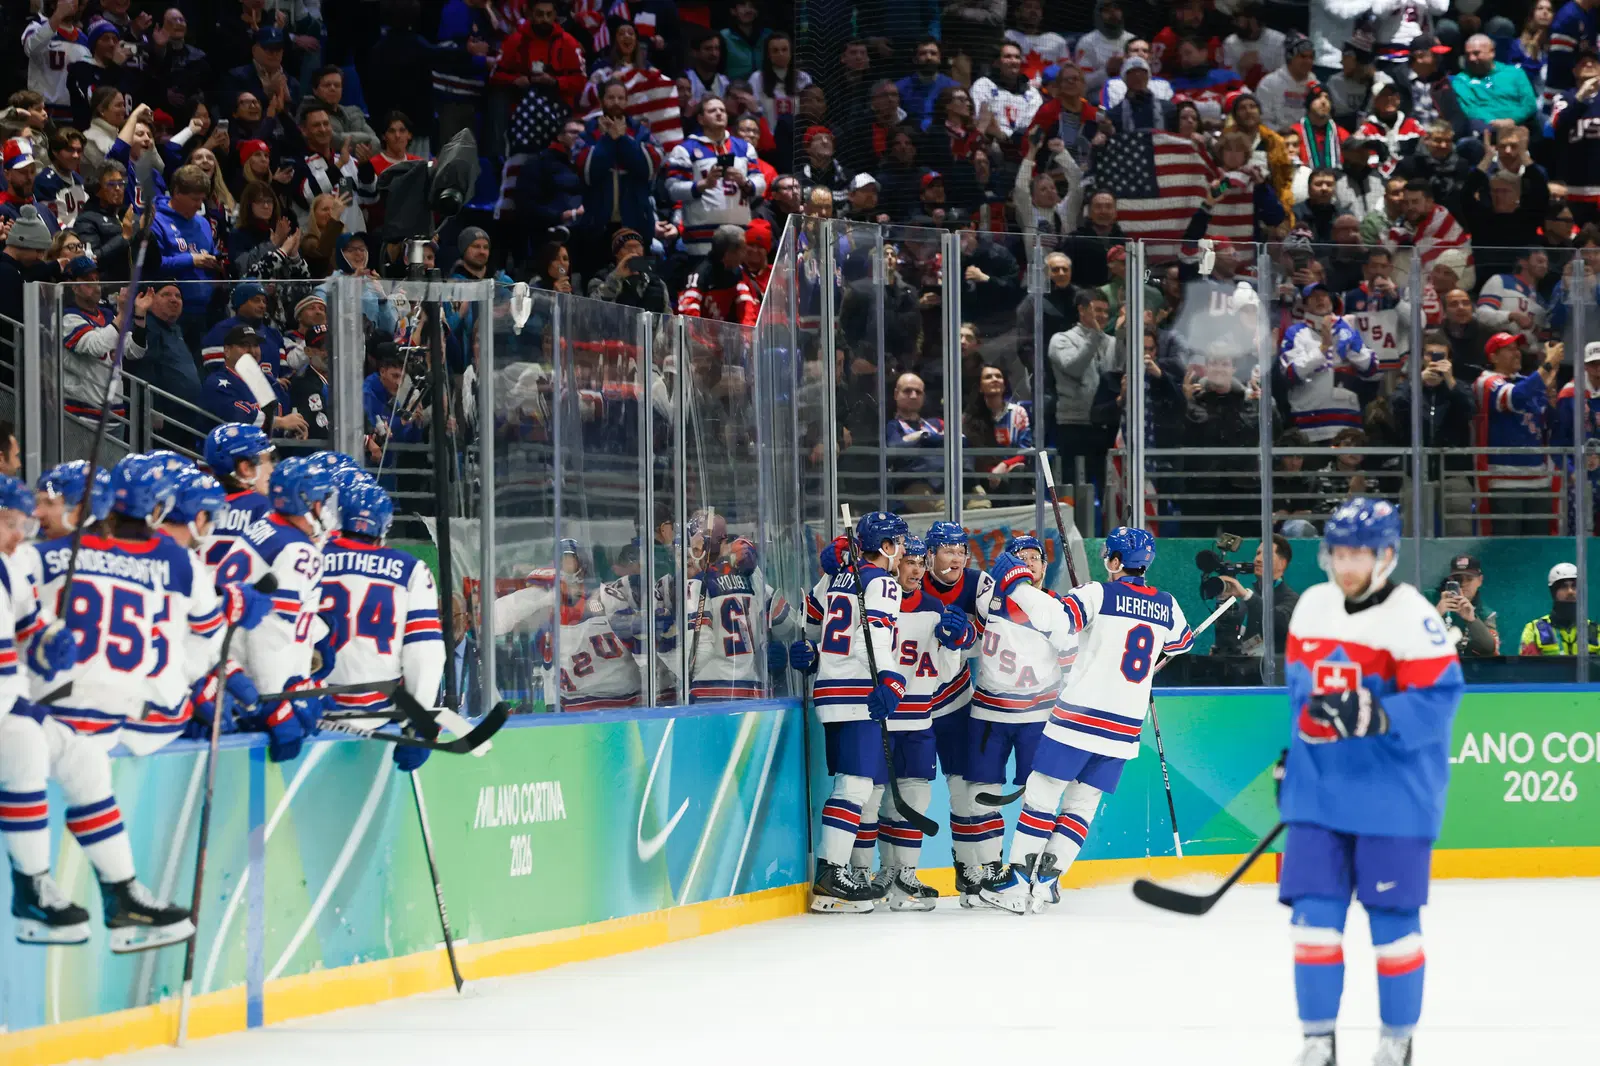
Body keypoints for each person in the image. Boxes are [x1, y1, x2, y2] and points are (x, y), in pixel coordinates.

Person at [1277, 497, 1464, 1066]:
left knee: (1393, 927)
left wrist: (1377, 713)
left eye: (1358, 554)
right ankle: (1317, 1042)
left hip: (1394, 798)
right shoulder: (1311, 606)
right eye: (1338, 553)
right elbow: (1304, 699)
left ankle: (1395, 1042)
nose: (1346, 565)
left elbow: (1438, 702)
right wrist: (1295, 755)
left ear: (1386, 556)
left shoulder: (1413, 618)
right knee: (1313, 924)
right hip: (1319, 792)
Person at [978, 526, 1193, 913]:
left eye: (1108, 555)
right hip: (1124, 728)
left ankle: (1017, 883)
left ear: (1115, 561)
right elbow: (1182, 643)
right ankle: (1046, 883)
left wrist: (1017, 584)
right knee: (1081, 805)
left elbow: (1056, 618)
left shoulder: (1098, 592)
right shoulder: (1168, 604)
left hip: (1079, 718)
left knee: (1042, 796)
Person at [791, 509, 907, 911]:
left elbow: (810, 621)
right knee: (855, 787)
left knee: (856, 786)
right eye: (899, 543)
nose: (903, 551)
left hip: (829, 690)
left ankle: (838, 874)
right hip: (857, 692)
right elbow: (870, 639)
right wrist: (891, 679)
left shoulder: (839, 577)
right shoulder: (883, 582)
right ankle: (831, 875)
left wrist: (812, 653)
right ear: (885, 547)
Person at [213, 455, 337, 764]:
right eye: (322, 500)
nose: (326, 509)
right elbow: (269, 631)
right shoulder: (298, 551)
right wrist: (277, 701)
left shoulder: (266, 527)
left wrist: (317, 633)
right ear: (306, 503)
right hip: (248, 688)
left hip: (226, 670)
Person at [317, 479, 441, 774]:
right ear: (384, 527)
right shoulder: (411, 570)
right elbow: (425, 653)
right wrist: (420, 720)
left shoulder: (311, 557)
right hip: (380, 716)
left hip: (314, 713)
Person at [1473, 331, 1557, 535]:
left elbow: (1547, 420)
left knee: (1540, 544)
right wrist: (1547, 365)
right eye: (1509, 349)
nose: (1517, 353)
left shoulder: (1525, 381)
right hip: (1504, 480)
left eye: (1517, 348)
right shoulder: (1487, 382)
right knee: (1508, 545)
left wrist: (1551, 398)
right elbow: (1515, 398)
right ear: (1493, 357)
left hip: (1539, 478)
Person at [1279, 281, 1378, 442]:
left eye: (1324, 296)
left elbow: (1372, 367)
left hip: (1349, 425)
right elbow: (1290, 373)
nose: (1320, 299)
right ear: (1304, 305)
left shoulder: (1348, 330)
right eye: (1314, 297)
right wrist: (1322, 349)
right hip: (1310, 427)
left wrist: (1350, 347)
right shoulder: (1296, 333)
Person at [664, 95, 763, 258]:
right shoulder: (685, 150)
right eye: (712, 111)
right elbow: (673, 189)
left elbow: (760, 183)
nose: (719, 113)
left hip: (739, 235)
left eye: (722, 110)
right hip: (700, 239)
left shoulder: (744, 148)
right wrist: (704, 184)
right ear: (701, 119)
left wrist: (744, 181)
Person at [60, 256, 149, 418]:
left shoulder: (108, 315)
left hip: (115, 412)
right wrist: (123, 313)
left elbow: (134, 350)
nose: (96, 286)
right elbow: (97, 346)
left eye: (97, 279)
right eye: (88, 280)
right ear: (73, 286)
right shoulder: (67, 319)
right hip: (82, 414)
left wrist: (140, 315)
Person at [1211, 535, 1300, 660]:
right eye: (1257, 553)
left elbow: (1278, 622)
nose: (1258, 559)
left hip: (1273, 670)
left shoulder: (1291, 599)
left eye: (1266, 554)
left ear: (1282, 563)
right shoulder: (1247, 598)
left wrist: (1246, 595)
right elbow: (1234, 637)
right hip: (1241, 668)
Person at [676, 224, 759, 324]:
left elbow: (747, 308)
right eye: (742, 250)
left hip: (726, 332)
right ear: (729, 253)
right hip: (702, 332)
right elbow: (688, 315)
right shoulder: (700, 275)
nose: (745, 254)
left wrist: (747, 332)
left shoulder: (737, 273)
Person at [1452, 33, 1539, 128]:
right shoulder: (1461, 80)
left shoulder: (1515, 73)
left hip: (1520, 125)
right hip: (1486, 128)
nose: (1471, 58)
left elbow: (1529, 104)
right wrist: (1493, 122)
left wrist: (1513, 120)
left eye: (1476, 53)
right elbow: (1470, 109)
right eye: (1467, 54)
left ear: (1492, 52)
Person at [1519, 562, 1599, 655]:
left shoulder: (1596, 631)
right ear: (1553, 591)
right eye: (1564, 586)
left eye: (1574, 586)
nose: (1570, 591)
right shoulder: (1534, 629)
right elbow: (1527, 663)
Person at [1435, 553, 1499, 657]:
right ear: (1450, 580)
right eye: (1458, 579)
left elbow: (1490, 649)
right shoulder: (1429, 599)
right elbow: (1411, 639)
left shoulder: (1485, 614)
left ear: (1480, 580)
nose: (1463, 583)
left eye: (1469, 579)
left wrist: (1472, 620)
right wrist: (1436, 613)